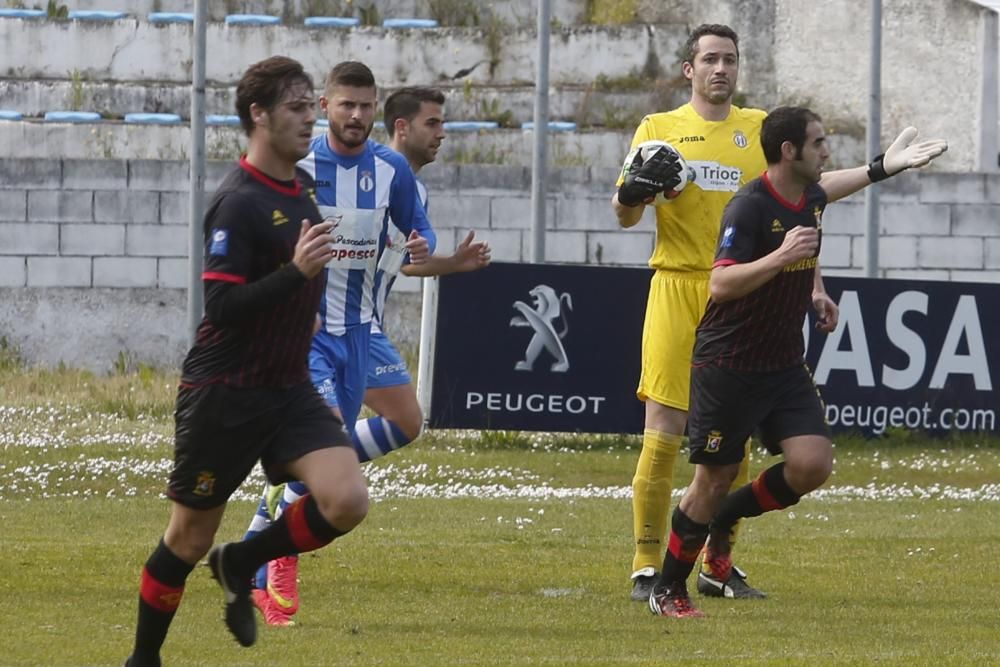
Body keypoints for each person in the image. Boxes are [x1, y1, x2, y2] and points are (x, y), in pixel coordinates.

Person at [613, 23, 950, 602]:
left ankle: (718, 565)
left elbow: (799, 209)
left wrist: (814, 279)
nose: (722, 69)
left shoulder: (759, 129)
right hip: (681, 284)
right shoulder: (659, 130)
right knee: (664, 429)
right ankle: (648, 565)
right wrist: (631, 194)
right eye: (710, 60)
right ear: (689, 69)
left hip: (755, 294)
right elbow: (625, 214)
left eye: (731, 60)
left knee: (736, 443)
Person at [124, 56, 370, 666]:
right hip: (226, 392)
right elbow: (223, 305)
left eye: (311, 105)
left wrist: (301, 306)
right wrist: (296, 277)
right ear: (257, 115)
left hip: (286, 387)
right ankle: (142, 659)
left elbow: (291, 282)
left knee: (347, 499)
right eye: (296, 108)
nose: (309, 118)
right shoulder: (237, 203)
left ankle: (242, 560)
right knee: (186, 539)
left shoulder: (303, 188)